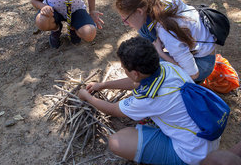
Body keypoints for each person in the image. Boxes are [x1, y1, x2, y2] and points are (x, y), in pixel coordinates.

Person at [78, 36, 220, 165]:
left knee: (117, 141)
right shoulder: (166, 67)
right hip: (206, 136)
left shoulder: (149, 97)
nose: (124, 71)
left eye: (124, 69)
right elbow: (136, 82)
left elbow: (113, 109)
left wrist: (87, 96)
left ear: (135, 73)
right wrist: (103, 85)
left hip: (191, 155)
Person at [115, 0, 216, 83]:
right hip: (201, 49)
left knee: (149, 64)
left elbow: (193, 74)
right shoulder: (159, 4)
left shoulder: (167, 32)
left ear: (139, 11)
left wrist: (161, 53)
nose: (125, 23)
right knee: (144, 32)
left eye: (126, 19)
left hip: (202, 64)